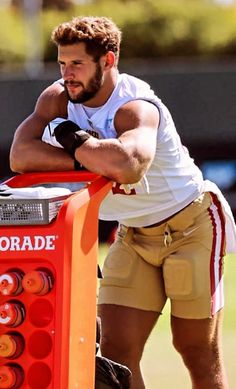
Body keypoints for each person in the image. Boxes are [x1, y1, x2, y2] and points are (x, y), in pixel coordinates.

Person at [10, 16, 236, 389]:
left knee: (196, 349)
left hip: (191, 225)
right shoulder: (56, 98)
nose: (68, 74)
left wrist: (73, 140)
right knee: (114, 356)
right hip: (133, 233)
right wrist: (87, 154)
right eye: (62, 64)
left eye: (77, 64)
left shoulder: (135, 106)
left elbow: (127, 166)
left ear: (108, 61)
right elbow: (20, 155)